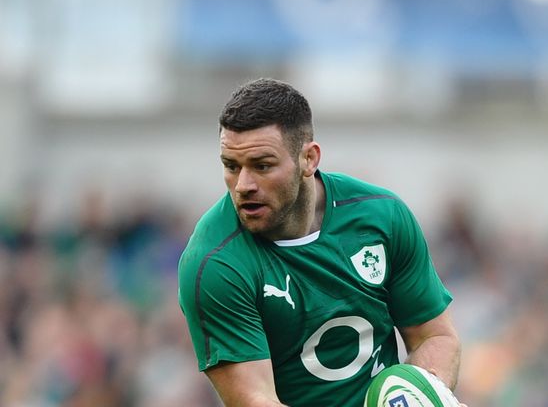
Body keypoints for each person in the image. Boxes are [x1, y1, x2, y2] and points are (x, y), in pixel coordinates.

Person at [177, 78, 462, 406]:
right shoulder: (215, 262)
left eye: (262, 166)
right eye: (231, 166)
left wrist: (418, 397)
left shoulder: (382, 216)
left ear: (309, 159)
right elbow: (255, 400)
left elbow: (436, 336)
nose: (243, 185)